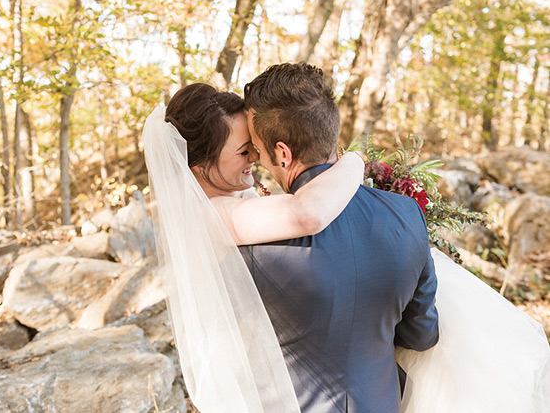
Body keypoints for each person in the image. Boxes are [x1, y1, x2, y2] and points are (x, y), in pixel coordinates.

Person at [241, 62, 550, 413]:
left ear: (282, 153)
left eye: (256, 148)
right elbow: (422, 336)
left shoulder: (255, 236)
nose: (255, 158)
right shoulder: (405, 214)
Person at [143, 82, 365, 413]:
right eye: (244, 151)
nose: (257, 158)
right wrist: (356, 163)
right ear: (200, 165)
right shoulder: (210, 218)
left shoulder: (233, 196)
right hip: (264, 381)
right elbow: (307, 213)